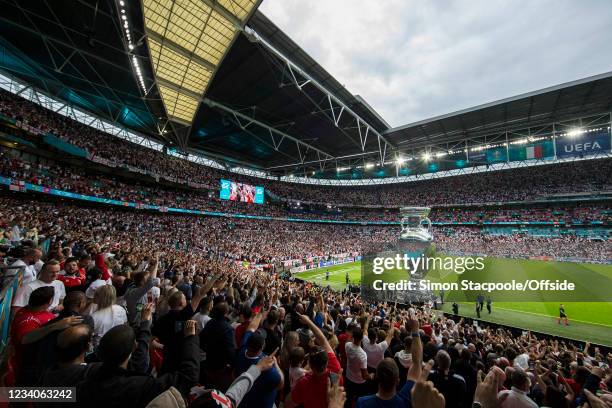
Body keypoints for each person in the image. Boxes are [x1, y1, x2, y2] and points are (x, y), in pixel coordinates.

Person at [77, 319, 200, 407]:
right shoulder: (141, 386)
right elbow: (189, 376)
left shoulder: (82, 382)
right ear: (133, 349)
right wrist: (191, 338)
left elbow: (58, 395)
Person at [290, 313, 342, 408]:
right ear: (327, 362)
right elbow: (322, 340)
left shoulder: (304, 382)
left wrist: (308, 321)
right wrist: (309, 321)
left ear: (310, 365)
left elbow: (289, 403)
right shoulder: (336, 371)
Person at [234, 311, 283, 408]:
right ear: (262, 347)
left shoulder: (242, 349)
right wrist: (276, 364)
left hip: (242, 400)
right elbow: (280, 384)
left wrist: (260, 313)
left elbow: (252, 327)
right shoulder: (268, 367)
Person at [344, 326, 373, 406]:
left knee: (348, 398)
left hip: (348, 377)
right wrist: (371, 376)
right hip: (358, 382)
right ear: (362, 338)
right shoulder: (362, 355)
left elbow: (348, 340)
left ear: (353, 336)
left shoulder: (347, 345)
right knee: (358, 400)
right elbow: (364, 376)